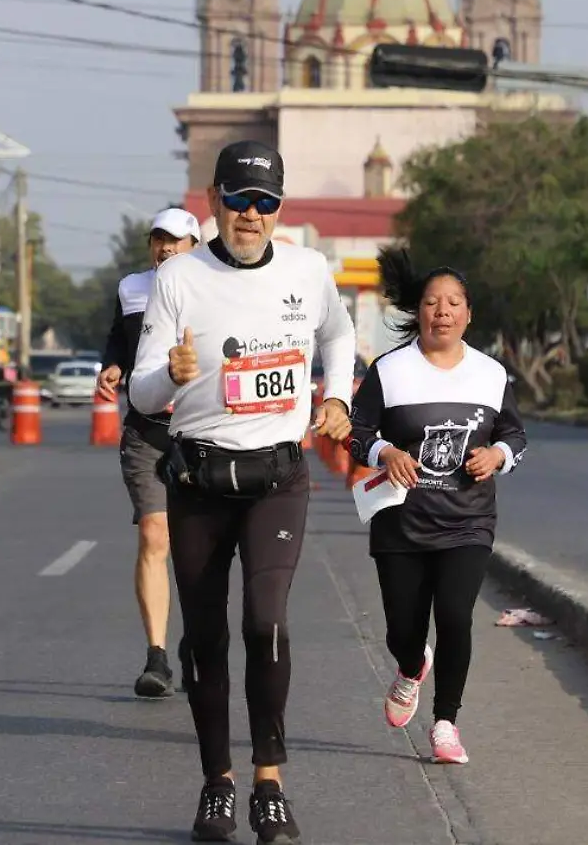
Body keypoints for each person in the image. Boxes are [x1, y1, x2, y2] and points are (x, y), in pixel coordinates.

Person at [129, 139, 355, 845]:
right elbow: (141, 391)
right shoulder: (178, 280)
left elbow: (338, 333)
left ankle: (268, 781)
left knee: (267, 621)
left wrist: (339, 396)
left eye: (264, 203)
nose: (250, 215)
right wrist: (170, 372)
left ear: (278, 210)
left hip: (278, 478)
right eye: (238, 201)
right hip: (200, 477)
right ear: (213, 204)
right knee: (205, 638)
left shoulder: (308, 269)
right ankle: (217, 783)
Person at [349, 248, 527, 766]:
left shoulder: (491, 374)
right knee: (403, 630)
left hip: (467, 522)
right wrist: (386, 451)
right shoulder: (390, 370)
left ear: (468, 313)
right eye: (432, 303)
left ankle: (446, 722)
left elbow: (515, 434)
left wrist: (498, 454)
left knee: (454, 617)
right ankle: (410, 668)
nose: (442, 311)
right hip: (400, 522)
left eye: (453, 303)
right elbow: (358, 434)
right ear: (418, 312)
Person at [95, 206, 203, 700]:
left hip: (205, 431)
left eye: (175, 241)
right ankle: (157, 655)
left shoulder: (215, 287)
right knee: (155, 536)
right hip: (149, 429)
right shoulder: (132, 288)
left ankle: (199, 643)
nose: (164, 248)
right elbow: (121, 338)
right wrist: (113, 366)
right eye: (158, 239)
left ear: (194, 246)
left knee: (201, 547)